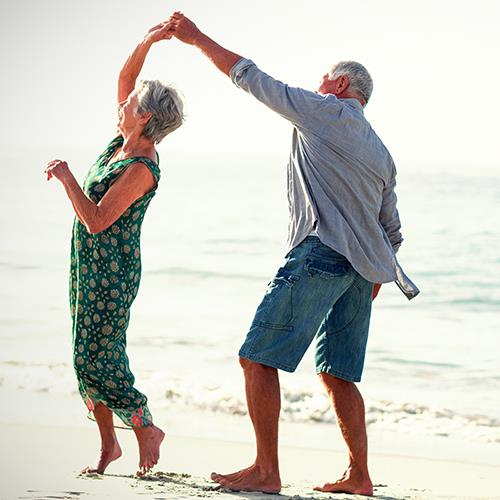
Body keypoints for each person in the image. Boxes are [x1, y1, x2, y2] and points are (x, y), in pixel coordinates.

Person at [168, 12, 419, 496]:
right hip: (361, 273)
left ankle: (266, 470)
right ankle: (359, 476)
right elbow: (392, 230)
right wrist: (370, 280)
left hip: (320, 254)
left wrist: (196, 38)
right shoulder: (382, 151)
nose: (317, 84)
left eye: (324, 78)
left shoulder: (324, 110)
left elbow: (252, 79)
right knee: (337, 373)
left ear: (340, 83)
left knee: (256, 359)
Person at [44, 21, 183, 476]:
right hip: (86, 264)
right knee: (83, 354)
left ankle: (145, 426)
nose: (122, 103)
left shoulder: (143, 165)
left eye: (131, 104)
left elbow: (99, 219)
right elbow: (126, 81)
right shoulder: (121, 143)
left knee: (96, 356)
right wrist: (148, 41)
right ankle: (109, 446)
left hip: (112, 270)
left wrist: (66, 178)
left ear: (145, 117)